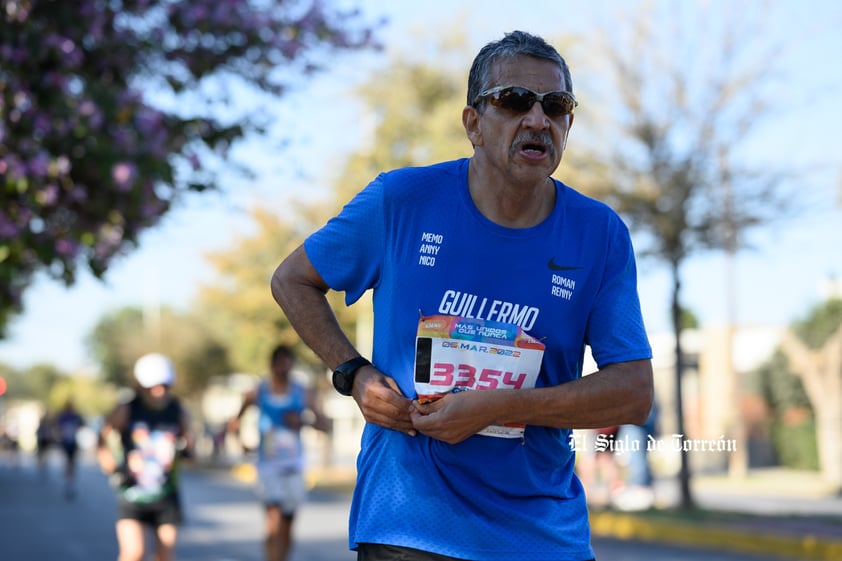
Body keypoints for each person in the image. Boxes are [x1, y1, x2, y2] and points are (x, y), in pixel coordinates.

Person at [271, 30, 654, 561]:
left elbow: (633, 392)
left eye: (556, 105)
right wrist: (352, 373)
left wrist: (504, 406)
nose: (538, 120)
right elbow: (292, 280)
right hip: (410, 525)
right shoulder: (402, 201)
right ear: (473, 123)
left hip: (540, 535)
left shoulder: (600, 233)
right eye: (515, 100)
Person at [228, 344, 331, 561]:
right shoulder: (258, 391)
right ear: (272, 365)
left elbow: (324, 424)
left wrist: (303, 421)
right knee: (273, 520)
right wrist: (242, 445)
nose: (283, 368)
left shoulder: (302, 393)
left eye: (288, 364)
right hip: (268, 465)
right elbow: (235, 421)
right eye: (280, 364)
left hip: (294, 464)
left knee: (287, 521)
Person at [96, 353, 194, 561]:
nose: (159, 392)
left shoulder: (178, 410)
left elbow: (190, 447)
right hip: (132, 494)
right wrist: (110, 465)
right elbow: (103, 438)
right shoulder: (127, 409)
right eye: (152, 387)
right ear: (142, 386)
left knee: (165, 554)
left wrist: (187, 449)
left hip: (166, 494)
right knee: (134, 553)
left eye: (164, 386)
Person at [55, 399, 85, 499]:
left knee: (71, 463)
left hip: (72, 443)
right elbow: (57, 428)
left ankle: (70, 482)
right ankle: (69, 482)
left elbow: (81, 425)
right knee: (68, 463)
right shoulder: (63, 417)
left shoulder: (75, 416)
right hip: (65, 443)